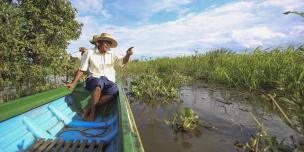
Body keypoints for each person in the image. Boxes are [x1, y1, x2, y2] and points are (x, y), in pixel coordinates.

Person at [66, 33, 133, 121]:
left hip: (109, 80)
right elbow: (82, 69)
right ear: (99, 42)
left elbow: (122, 62)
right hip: (94, 78)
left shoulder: (112, 54)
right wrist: (73, 83)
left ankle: (88, 107)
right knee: (98, 84)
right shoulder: (89, 53)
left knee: (115, 90)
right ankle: (92, 114)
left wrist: (127, 55)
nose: (108, 45)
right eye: (106, 43)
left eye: (109, 43)